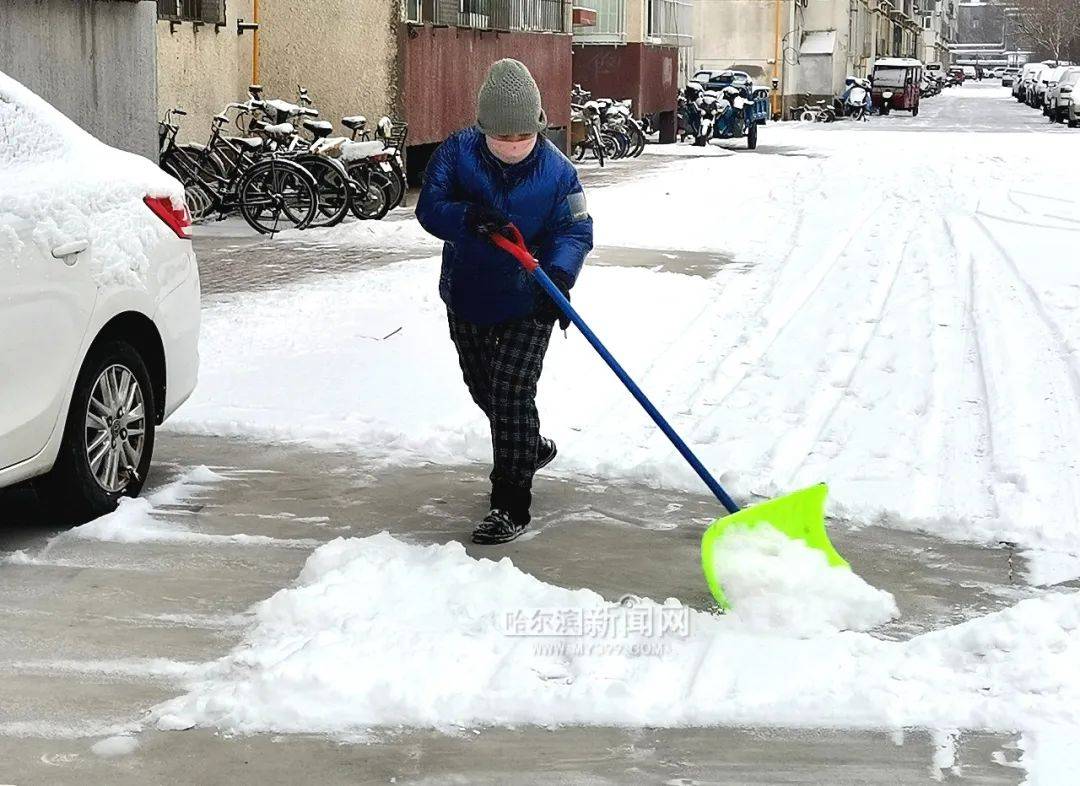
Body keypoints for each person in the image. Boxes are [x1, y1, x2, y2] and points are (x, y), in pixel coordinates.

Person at [415, 59, 594, 545]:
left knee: (512, 394)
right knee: (485, 390)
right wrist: (468, 216)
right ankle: (526, 445)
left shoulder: (559, 173)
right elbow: (428, 209)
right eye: (501, 138)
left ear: (538, 127)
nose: (513, 147)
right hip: (468, 293)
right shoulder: (456, 153)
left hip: (529, 299)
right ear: (483, 129)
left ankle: (510, 504)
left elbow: (575, 229)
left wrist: (557, 276)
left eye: (523, 138)